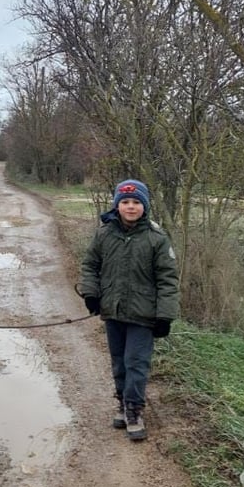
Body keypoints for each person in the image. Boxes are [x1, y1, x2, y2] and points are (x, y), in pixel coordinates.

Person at [78, 179, 179, 441]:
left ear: (144, 206)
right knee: (119, 362)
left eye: (136, 202)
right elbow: (90, 266)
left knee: (136, 362)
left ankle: (135, 409)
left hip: (143, 315)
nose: (131, 207)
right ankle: (122, 403)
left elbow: (168, 280)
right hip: (113, 311)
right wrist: (91, 293)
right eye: (125, 202)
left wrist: (164, 316)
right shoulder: (104, 234)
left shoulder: (157, 238)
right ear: (117, 205)